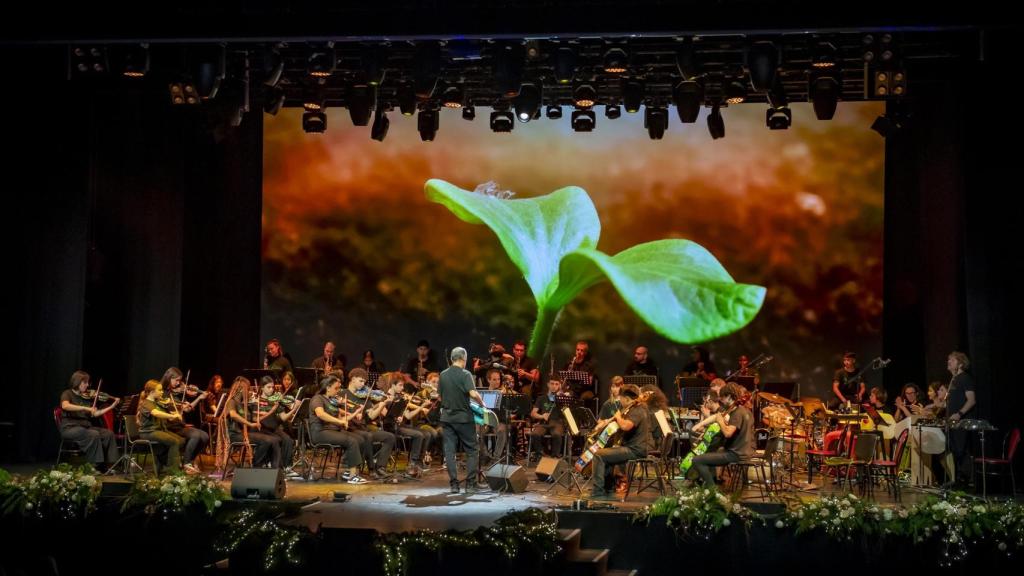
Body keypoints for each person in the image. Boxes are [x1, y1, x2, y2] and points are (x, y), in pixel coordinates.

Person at [439, 347, 488, 494]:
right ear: (463, 359)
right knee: (472, 450)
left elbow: (440, 396)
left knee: (449, 451)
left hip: (447, 418)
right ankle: (471, 484)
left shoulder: (443, 374)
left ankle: (454, 485)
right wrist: (482, 403)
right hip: (464, 419)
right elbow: (473, 393)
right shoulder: (466, 374)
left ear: (452, 358)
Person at [588, 384, 650, 499]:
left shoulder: (638, 410)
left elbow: (626, 426)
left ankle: (597, 492)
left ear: (626, 399)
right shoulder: (633, 408)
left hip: (635, 450)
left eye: (621, 398)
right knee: (606, 453)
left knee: (598, 455)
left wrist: (618, 417)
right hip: (631, 448)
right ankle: (608, 488)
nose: (619, 401)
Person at [689, 383, 754, 487]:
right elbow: (718, 417)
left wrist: (720, 422)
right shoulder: (745, 411)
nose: (721, 401)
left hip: (736, 454)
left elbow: (728, 433)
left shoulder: (737, 413)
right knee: (712, 452)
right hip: (744, 451)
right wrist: (700, 425)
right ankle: (710, 484)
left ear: (729, 396)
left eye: (723, 397)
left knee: (697, 460)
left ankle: (712, 490)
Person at [307, 374, 367, 484]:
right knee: (351, 441)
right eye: (336, 388)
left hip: (333, 430)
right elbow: (320, 414)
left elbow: (342, 419)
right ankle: (353, 476)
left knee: (360, 440)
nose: (338, 391)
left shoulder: (331, 401)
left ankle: (348, 470)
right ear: (328, 387)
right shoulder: (317, 398)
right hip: (321, 432)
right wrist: (340, 422)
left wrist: (355, 413)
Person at [58, 370, 120, 470]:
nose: (87, 385)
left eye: (87, 383)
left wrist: (111, 406)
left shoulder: (86, 397)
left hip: (85, 427)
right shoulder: (67, 393)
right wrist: (85, 408)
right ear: (77, 382)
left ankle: (111, 464)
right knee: (93, 434)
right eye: (85, 382)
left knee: (108, 434)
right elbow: (65, 406)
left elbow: (95, 413)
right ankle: (96, 465)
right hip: (70, 428)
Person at [216, 376, 280, 470]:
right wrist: (250, 424)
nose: (249, 391)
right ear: (241, 389)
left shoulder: (243, 403)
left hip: (243, 433)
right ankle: (256, 465)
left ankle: (275, 469)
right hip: (234, 435)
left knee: (274, 440)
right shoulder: (231, 401)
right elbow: (233, 415)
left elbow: (253, 419)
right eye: (247, 388)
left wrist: (270, 411)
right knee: (267, 440)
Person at [159, 367, 210, 473]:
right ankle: (187, 463)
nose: (179, 383)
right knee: (196, 435)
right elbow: (167, 409)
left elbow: (187, 409)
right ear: (169, 378)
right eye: (176, 380)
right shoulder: (162, 392)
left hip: (179, 425)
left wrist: (199, 398)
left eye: (180, 380)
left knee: (205, 436)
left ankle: (190, 460)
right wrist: (179, 407)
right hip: (169, 426)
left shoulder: (176, 393)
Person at [254, 376, 302, 477]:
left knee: (288, 440)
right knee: (276, 440)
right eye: (269, 387)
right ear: (262, 388)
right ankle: (274, 465)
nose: (271, 390)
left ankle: (287, 467)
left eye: (272, 387)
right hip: (262, 428)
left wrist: (294, 409)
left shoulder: (275, 401)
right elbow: (255, 418)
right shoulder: (256, 401)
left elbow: (283, 417)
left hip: (273, 428)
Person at [136, 379, 185, 474]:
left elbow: (164, 416)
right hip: (148, 432)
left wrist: (174, 415)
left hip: (159, 430)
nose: (162, 392)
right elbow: (156, 413)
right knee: (174, 442)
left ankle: (162, 463)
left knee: (181, 441)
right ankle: (173, 470)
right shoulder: (146, 403)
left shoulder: (156, 403)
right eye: (160, 390)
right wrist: (171, 416)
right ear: (151, 392)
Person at [945, 351, 977, 486]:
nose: (948, 362)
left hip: (961, 421)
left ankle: (966, 481)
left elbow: (971, 400)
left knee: (961, 450)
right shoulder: (954, 379)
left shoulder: (965, 378)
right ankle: (958, 480)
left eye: (952, 360)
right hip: (952, 421)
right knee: (954, 450)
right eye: (949, 360)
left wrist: (959, 414)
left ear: (960, 364)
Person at [529, 379, 567, 461]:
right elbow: (533, 413)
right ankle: (541, 454)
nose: (554, 386)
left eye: (556, 384)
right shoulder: (541, 398)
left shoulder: (562, 398)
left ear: (559, 386)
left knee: (557, 434)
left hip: (557, 422)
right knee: (535, 434)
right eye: (552, 383)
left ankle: (555, 456)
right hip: (544, 423)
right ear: (548, 384)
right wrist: (542, 416)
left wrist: (563, 398)